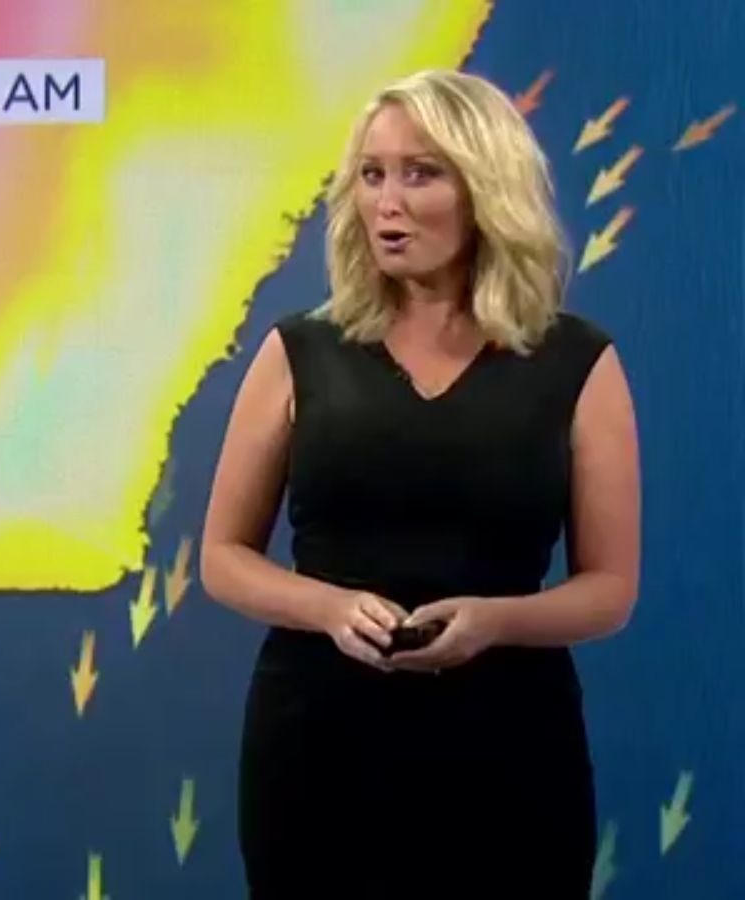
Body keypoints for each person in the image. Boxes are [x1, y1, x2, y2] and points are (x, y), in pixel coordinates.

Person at [199, 68, 641, 899]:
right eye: (372, 174)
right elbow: (223, 558)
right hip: (318, 752)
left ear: (486, 191)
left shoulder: (578, 363)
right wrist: (329, 609)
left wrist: (494, 622)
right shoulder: (299, 351)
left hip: (510, 752)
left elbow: (609, 591)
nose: (386, 203)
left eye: (420, 174)